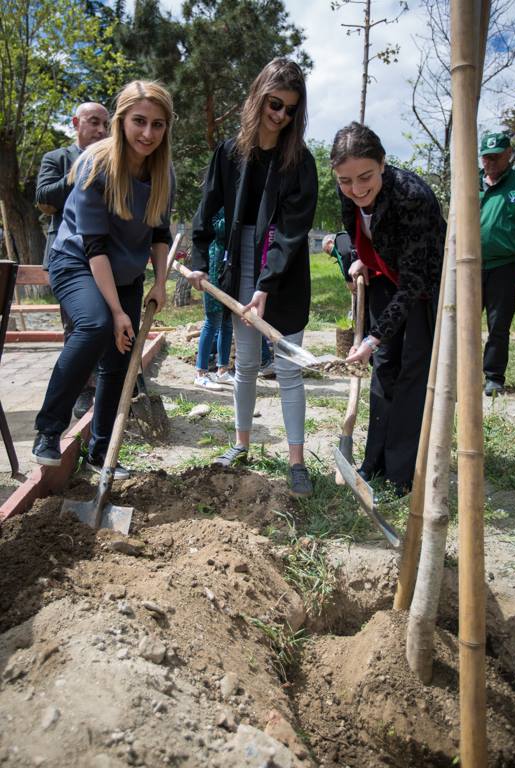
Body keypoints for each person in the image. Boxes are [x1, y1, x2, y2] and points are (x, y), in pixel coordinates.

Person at [189, 57, 318, 498]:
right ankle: (241, 444)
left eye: (290, 109)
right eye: (274, 104)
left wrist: (266, 284)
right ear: (259, 97)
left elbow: (292, 232)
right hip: (241, 264)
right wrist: (200, 259)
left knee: (288, 369)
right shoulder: (230, 153)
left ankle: (296, 462)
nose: (280, 115)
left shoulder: (300, 162)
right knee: (244, 364)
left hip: (284, 269)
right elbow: (207, 209)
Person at [32, 80, 174, 479]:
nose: (148, 133)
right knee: (95, 326)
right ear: (121, 121)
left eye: (158, 124)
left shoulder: (163, 172)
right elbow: (94, 246)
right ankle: (49, 430)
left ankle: (100, 454)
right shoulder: (95, 164)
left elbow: (160, 233)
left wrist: (160, 283)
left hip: (126, 272)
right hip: (77, 261)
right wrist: (116, 311)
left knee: (119, 359)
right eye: (139, 121)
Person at [331, 121, 445, 494]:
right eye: (346, 181)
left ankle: (400, 474)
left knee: (411, 375)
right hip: (384, 277)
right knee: (383, 369)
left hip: (423, 288)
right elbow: (359, 228)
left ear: (382, 163)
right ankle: (373, 463)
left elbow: (413, 281)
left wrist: (373, 337)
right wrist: (361, 257)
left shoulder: (412, 196)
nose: (356, 189)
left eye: (365, 177)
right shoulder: (347, 189)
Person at [36, 102, 110, 417]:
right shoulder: (57, 158)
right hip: (68, 256)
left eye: (105, 124)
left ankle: (114, 383)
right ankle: (83, 390)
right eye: (93, 122)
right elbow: (43, 197)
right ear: (75, 123)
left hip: (105, 254)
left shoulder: (113, 159)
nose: (101, 130)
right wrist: (82, 169)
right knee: (79, 326)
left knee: (111, 320)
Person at [479, 131, 515, 396]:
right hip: (468, 267)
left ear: (508, 154)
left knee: (498, 325)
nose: (490, 162)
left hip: (505, 266)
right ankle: (459, 372)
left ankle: (494, 377)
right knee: (460, 323)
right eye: (486, 157)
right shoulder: (470, 182)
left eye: (496, 157)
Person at [194, 209, 235, 390]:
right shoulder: (215, 204)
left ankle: (222, 370)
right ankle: (201, 373)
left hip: (229, 266)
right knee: (212, 321)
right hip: (214, 264)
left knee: (227, 322)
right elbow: (217, 228)